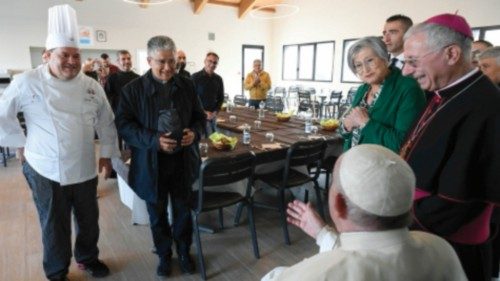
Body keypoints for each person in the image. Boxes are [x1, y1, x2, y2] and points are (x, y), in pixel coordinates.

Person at [0, 5, 118, 281]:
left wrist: (108, 154)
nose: (72, 61)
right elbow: (2, 114)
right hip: (45, 168)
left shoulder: (91, 85)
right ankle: (56, 271)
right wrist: (20, 142)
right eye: (64, 55)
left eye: (76, 55)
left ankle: (88, 258)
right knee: (54, 225)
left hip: (84, 167)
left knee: (89, 221)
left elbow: (106, 119)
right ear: (46, 56)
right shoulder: (26, 81)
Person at [261, 144, 466, 281]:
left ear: (339, 203)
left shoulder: (311, 275)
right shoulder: (440, 249)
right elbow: (374, 255)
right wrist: (323, 234)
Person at [400, 14, 500, 281]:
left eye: (412, 61)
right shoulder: (440, 94)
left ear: (452, 54)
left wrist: (395, 220)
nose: (406, 71)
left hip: (449, 248)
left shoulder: (487, 108)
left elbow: (458, 201)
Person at [115, 35, 205, 277]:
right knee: (157, 215)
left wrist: (194, 134)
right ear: (148, 60)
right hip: (150, 165)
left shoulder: (187, 85)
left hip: (183, 162)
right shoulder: (132, 90)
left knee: (183, 212)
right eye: (161, 62)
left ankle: (184, 251)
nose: (167, 68)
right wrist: (153, 140)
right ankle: (164, 255)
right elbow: (123, 125)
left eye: (172, 62)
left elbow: (199, 117)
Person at [339, 36, 425, 153]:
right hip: (353, 161)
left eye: (370, 60)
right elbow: (348, 131)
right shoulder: (362, 89)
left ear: (385, 58)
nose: (365, 69)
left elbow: (404, 144)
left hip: (381, 166)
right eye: (358, 65)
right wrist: (346, 126)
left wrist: (365, 123)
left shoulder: (408, 88)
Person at [192, 52, 224, 136]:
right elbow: (191, 99)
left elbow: (221, 98)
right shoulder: (194, 77)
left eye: (215, 63)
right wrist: (204, 112)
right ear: (205, 61)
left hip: (212, 117)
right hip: (198, 117)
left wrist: (215, 112)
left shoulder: (218, 79)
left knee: (213, 141)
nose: (212, 64)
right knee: (201, 143)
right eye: (210, 61)